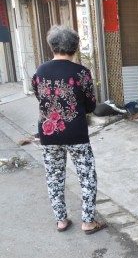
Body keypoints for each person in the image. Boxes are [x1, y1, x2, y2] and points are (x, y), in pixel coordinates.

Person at [32, 25, 106, 235]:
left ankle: (61, 220)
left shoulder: (40, 71)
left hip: (48, 132)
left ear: (52, 46)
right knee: (86, 175)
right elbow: (91, 105)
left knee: (54, 177)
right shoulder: (81, 72)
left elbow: (40, 98)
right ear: (74, 48)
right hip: (76, 133)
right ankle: (88, 222)